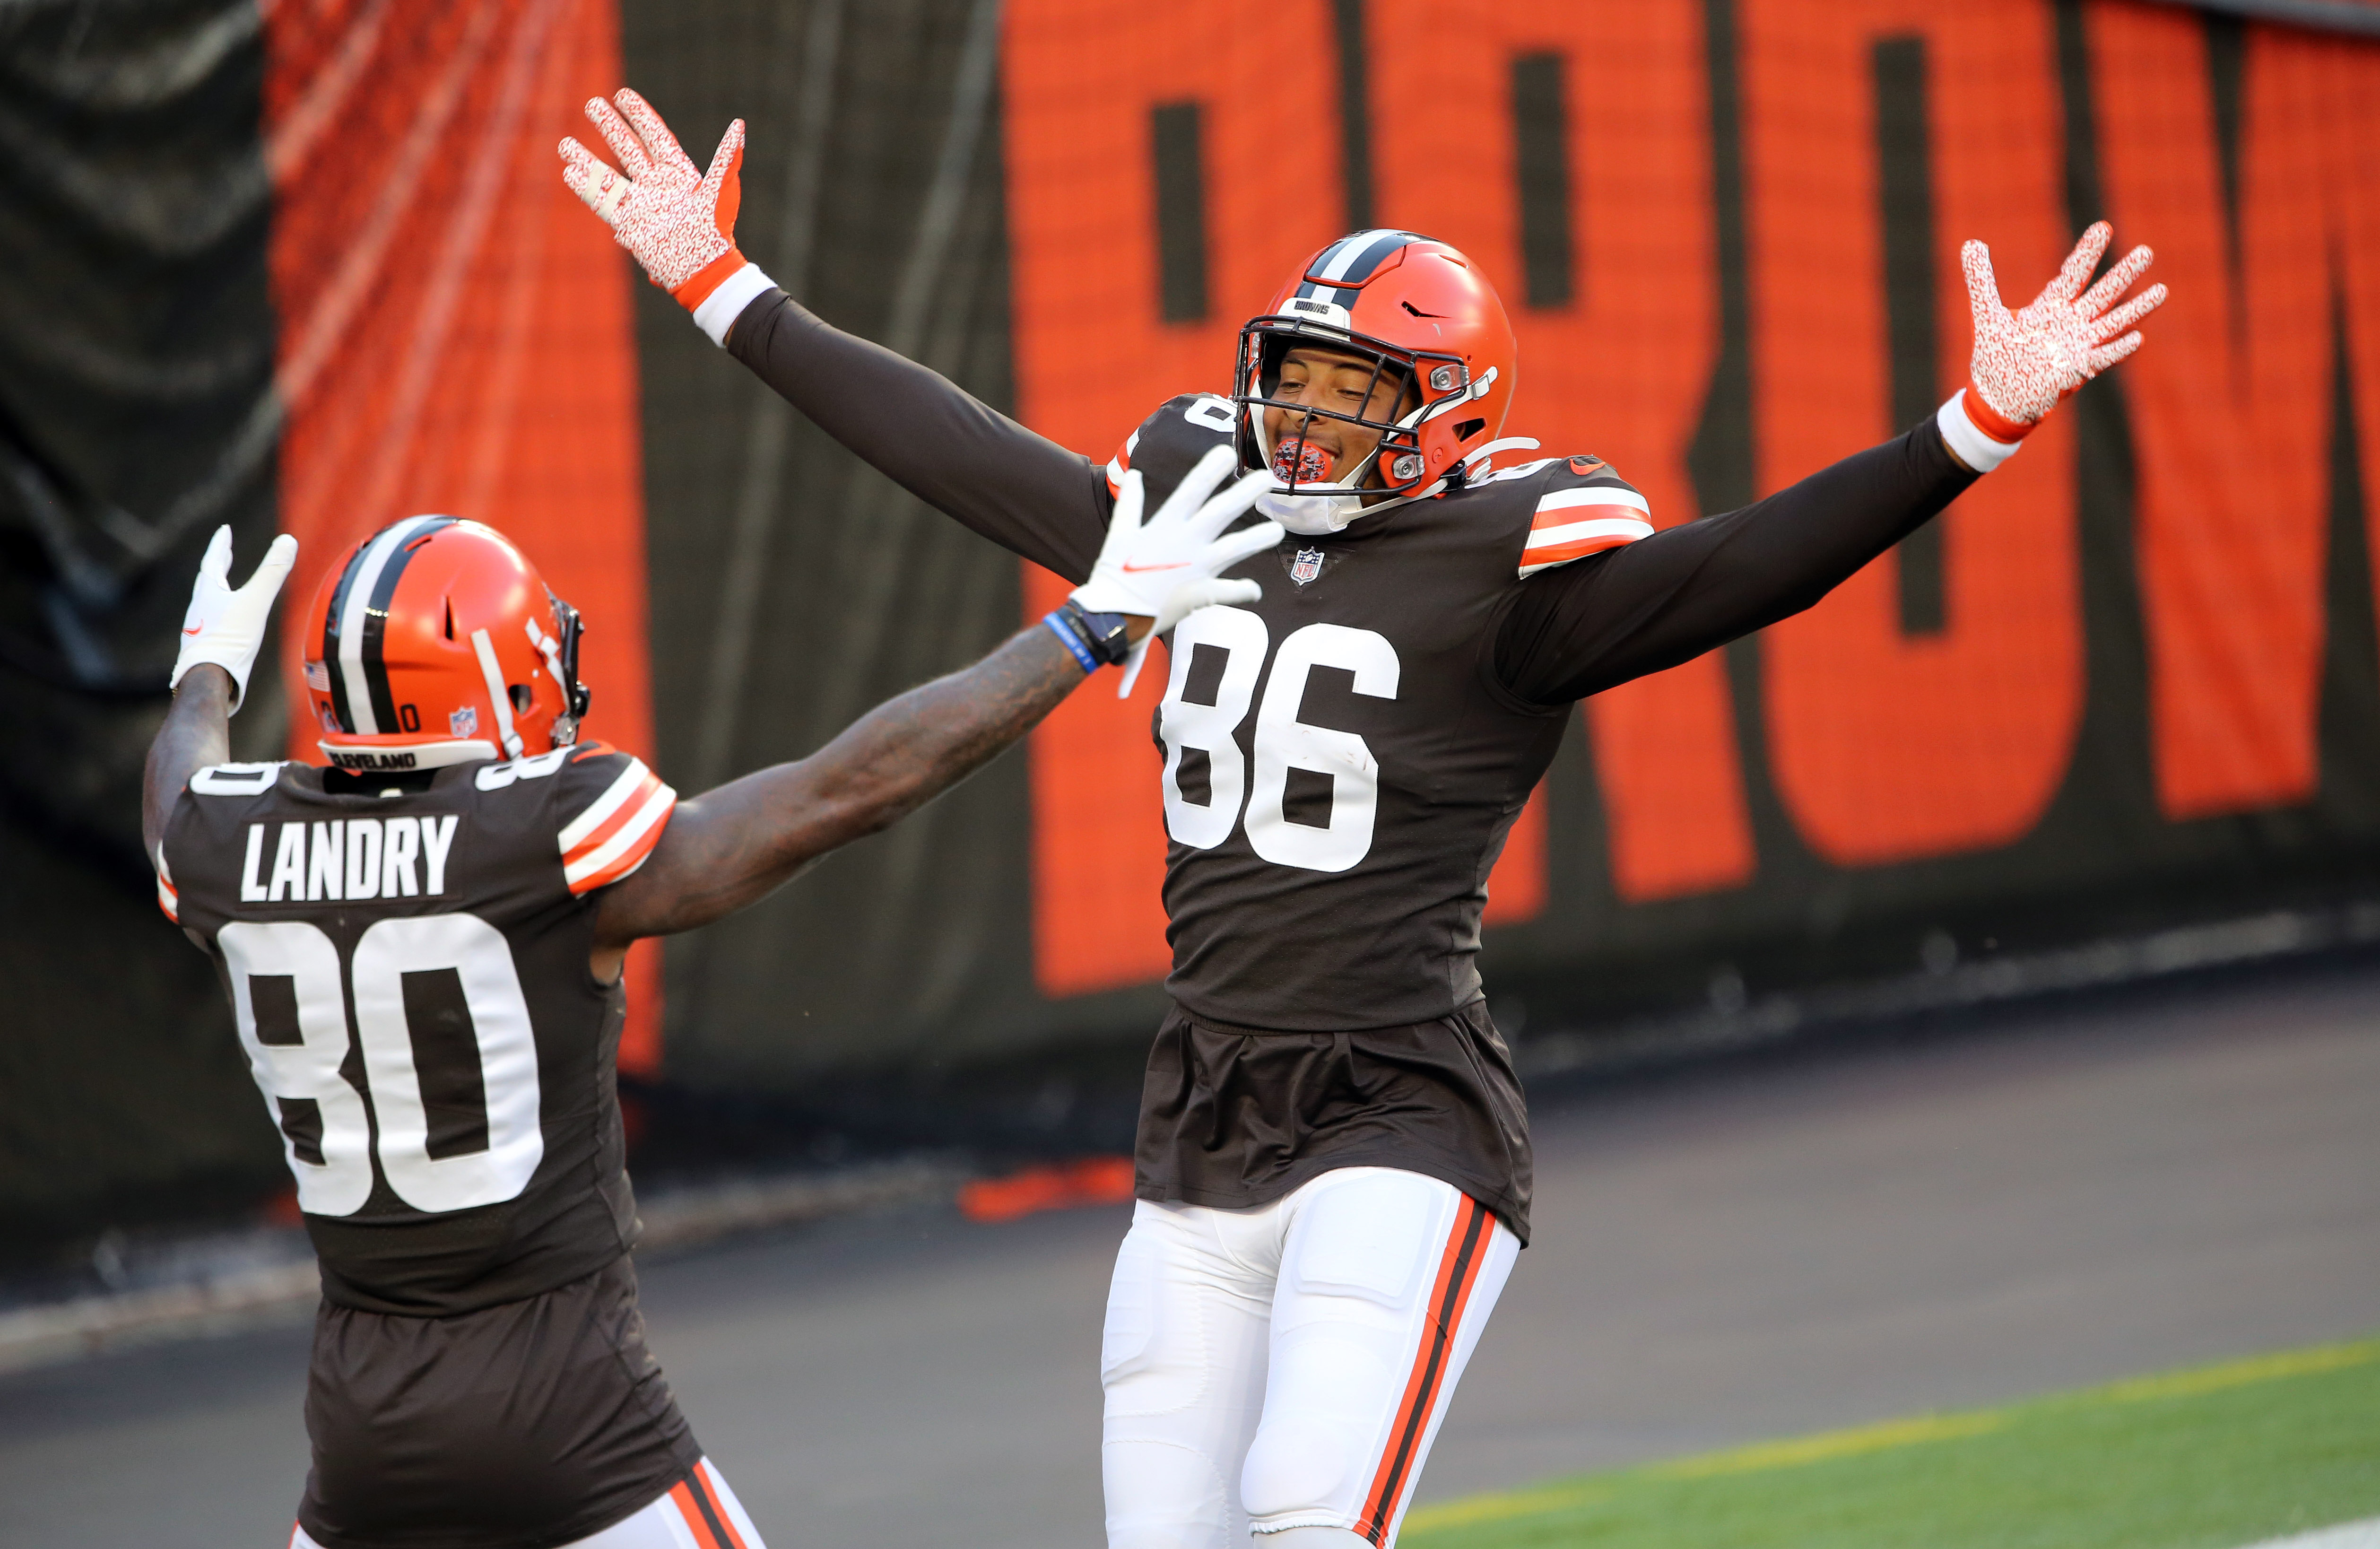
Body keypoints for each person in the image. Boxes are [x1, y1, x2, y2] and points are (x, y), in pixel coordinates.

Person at [561, 90, 2168, 1549]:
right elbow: (960, 454)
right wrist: (723, 287)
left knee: (1305, 1518)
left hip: (1400, 1102)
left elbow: (1750, 564)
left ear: (1450, 411)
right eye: (1294, 381)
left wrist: (1973, 425)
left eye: (1355, 393)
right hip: (1201, 1102)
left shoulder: (1516, 564)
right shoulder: (1201, 499)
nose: (1304, 425)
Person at [143, 457, 1282, 1549]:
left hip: (358, 1426)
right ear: (492, 687)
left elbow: (177, 789)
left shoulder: (229, 841)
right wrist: (1082, 631)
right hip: (565, 1402)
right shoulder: (539, 833)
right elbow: (847, 792)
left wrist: (206, 672)